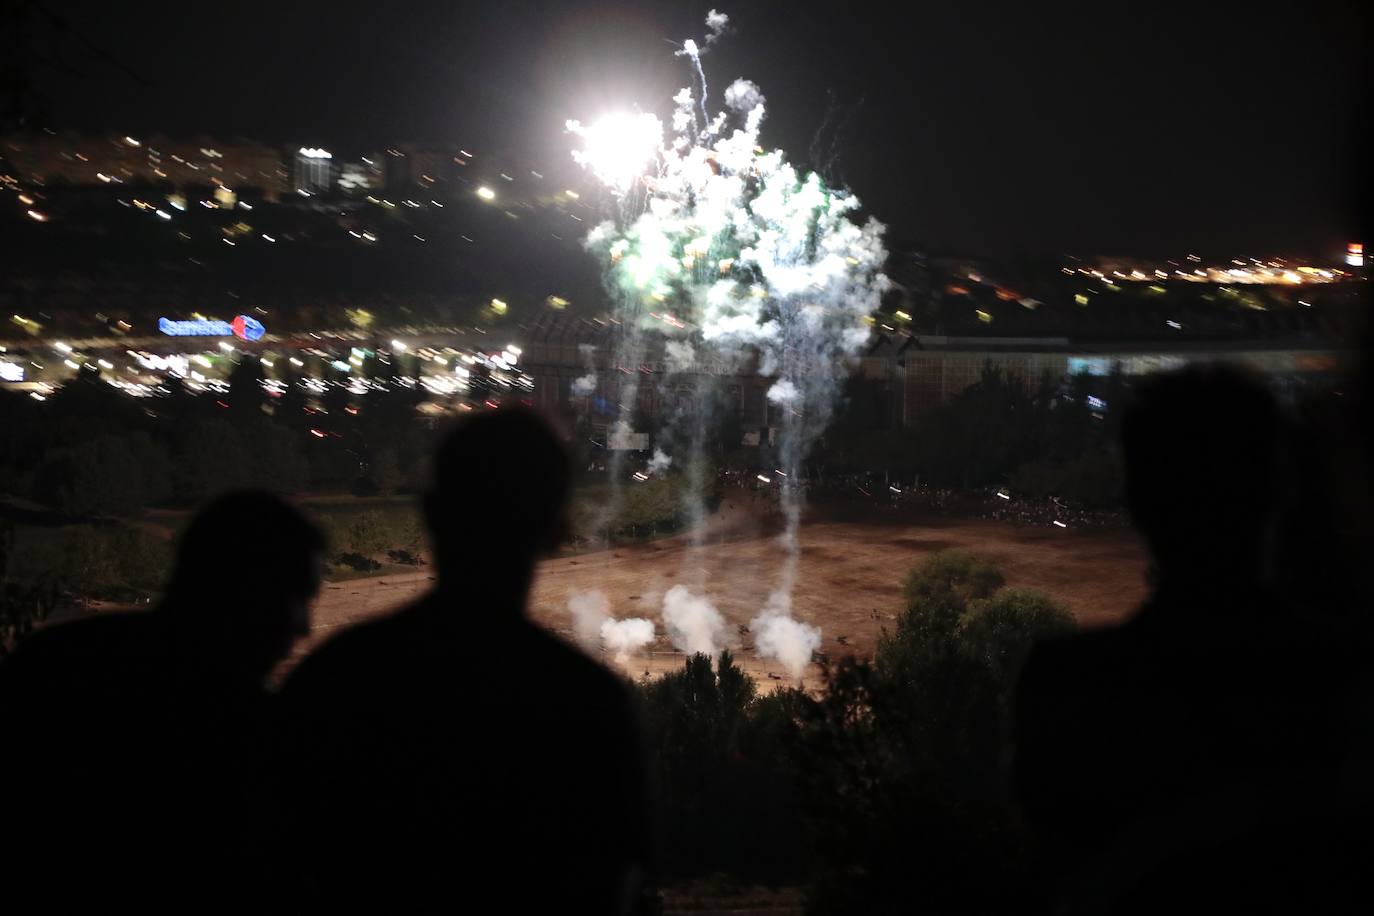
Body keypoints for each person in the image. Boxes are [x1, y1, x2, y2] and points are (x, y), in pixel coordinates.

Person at [1011, 365, 1357, 912]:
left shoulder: (1068, 685)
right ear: (1279, 492)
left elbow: (1051, 875)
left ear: (1136, 501)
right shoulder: (1340, 679)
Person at [276, 409, 651, 912]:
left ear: (431, 513)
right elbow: (612, 884)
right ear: (556, 531)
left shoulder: (335, 677)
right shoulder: (587, 703)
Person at [0, 491, 324, 911]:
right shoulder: (252, 729)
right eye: (295, 598)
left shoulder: (54, 661)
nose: (304, 627)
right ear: (244, 590)